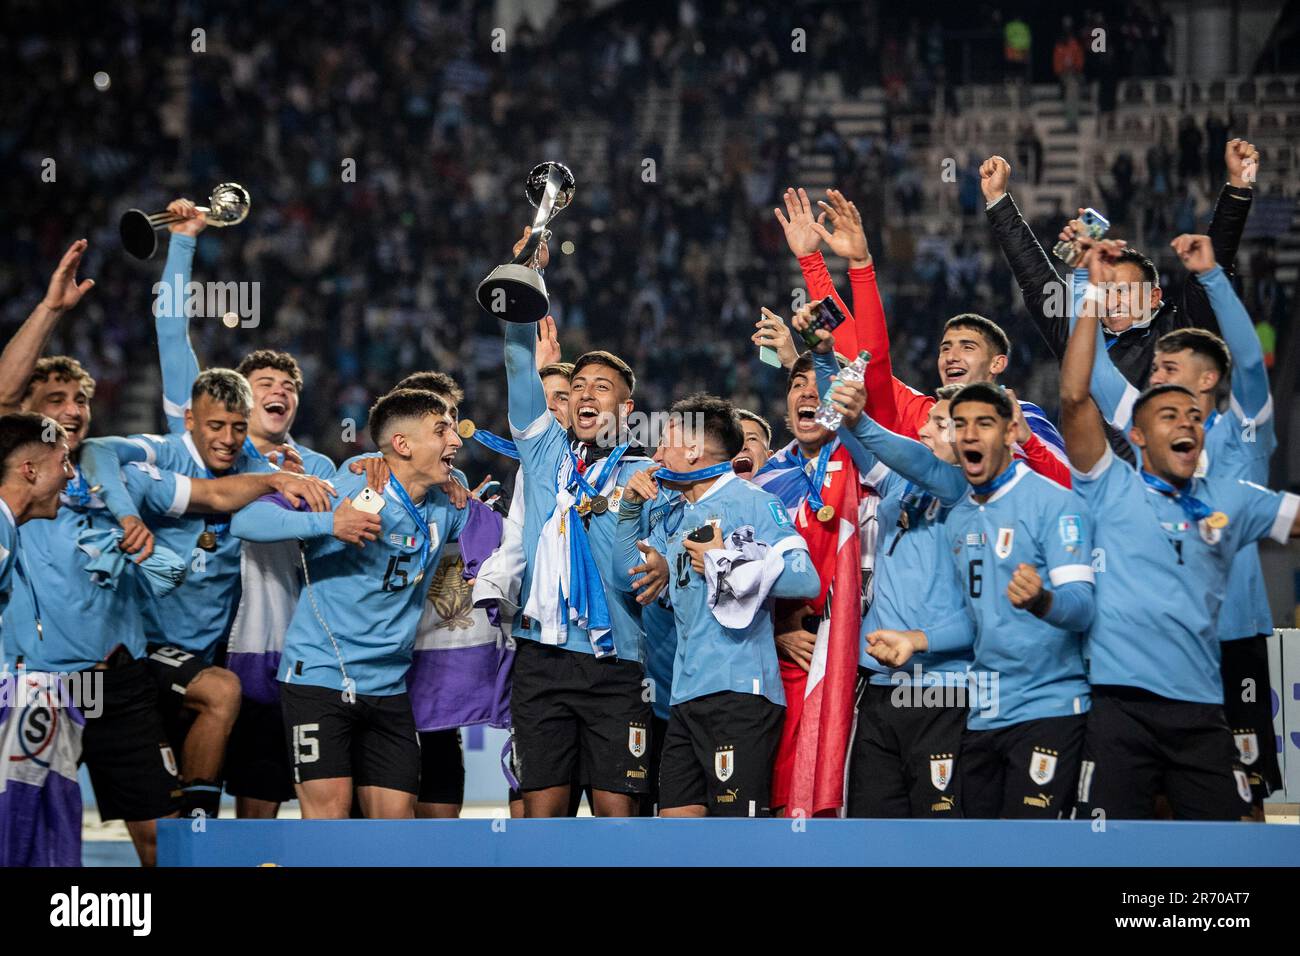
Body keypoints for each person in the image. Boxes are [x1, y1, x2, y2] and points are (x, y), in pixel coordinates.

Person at [1060, 238, 1300, 819]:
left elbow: (1247, 364)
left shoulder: (1241, 440)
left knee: (1240, 799)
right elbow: (1080, 385)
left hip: (1232, 636)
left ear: (1207, 377)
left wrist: (1213, 276)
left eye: (1169, 366)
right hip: (1148, 660)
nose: (1155, 371)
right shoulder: (1145, 425)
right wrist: (1081, 288)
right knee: (1149, 804)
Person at [230, 388, 467, 818]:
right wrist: (330, 523)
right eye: (442, 430)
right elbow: (245, 520)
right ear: (403, 444)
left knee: (393, 837)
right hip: (319, 679)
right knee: (329, 828)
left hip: (389, 687)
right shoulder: (353, 485)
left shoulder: (446, 500)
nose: (456, 440)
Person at [501, 229, 669, 817]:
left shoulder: (650, 472)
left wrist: (666, 563)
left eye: (603, 388)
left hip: (618, 666)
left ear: (626, 408)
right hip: (541, 660)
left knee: (617, 821)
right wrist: (525, 282)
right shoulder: (543, 452)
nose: (585, 395)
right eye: (576, 388)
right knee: (541, 821)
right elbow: (519, 370)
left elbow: (656, 559)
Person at [795, 313, 974, 817]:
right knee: (873, 838)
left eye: (940, 423)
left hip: (942, 690)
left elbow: (879, 439)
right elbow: (846, 431)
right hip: (878, 689)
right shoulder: (899, 485)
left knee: (942, 847)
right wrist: (827, 359)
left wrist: (862, 420)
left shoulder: (967, 491)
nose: (924, 427)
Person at [774, 187, 1069, 485]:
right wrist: (812, 262)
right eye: (945, 348)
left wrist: (1028, 441)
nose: (951, 356)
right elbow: (865, 359)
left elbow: (1073, 489)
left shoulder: (1021, 419)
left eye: (967, 346)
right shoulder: (925, 416)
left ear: (997, 363)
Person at [612, 395, 818, 816]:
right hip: (684, 697)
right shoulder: (676, 515)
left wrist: (727, 564)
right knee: (675, 832)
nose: (656, 454)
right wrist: (631, 508)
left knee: (735, 839)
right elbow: (626, 573)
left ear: (692, 450)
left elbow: (804, 577)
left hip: (740, 694)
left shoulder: (754, 502)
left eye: (666, 442)